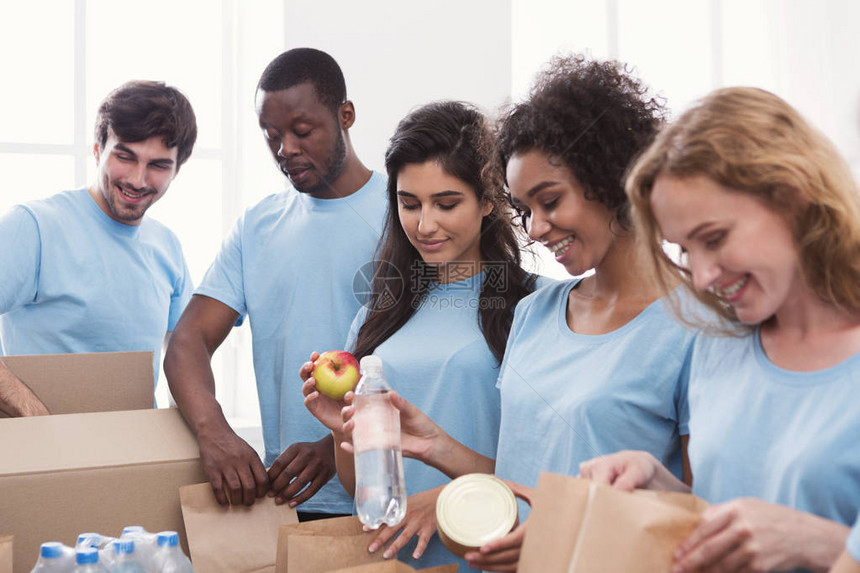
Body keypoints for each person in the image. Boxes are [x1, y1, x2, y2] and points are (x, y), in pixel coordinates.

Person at [329, 55, 700, 572]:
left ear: (615, 178)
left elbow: (701, 516)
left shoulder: (695, 330)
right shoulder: (536, 312)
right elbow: (516, 476)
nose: (536, 228)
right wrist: (437, 448)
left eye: (549, 201)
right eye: (525, 209)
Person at [580, 86, 860, 573]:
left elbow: (785, 530)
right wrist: (660, 487)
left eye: (714, 238)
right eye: (686, 250)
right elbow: (738, 520)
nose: (704, 276)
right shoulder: (718, 344)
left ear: (794, 194)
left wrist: (817, 542)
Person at [300, 100, 541, 570]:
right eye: (409, 204)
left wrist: (456, 494)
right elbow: (362, 490)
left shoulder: (537, 306)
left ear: (489, 199)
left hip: (488, 554)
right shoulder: (377, 314)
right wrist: (341, 432)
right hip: (390, 559)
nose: (424, 225)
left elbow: (547, 477)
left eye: (446, 204)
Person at [164, 48, 387, 519]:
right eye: (271, 135)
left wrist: (337, 445)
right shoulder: (257, 226)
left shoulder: (410, 215)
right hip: (286, 502)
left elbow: (440, 361)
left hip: (388, 493)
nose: (285, 148)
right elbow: (188, 340)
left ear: (345, 115)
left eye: (302, 131)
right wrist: (215, 431)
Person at [0, 80, 197, 416]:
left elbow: (186, 354)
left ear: (177, 170)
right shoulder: (33, 226)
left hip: (135, 453)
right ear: (97, 150)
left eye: (158, 165)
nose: (138, 180)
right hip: (44, 454)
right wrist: (30, 413)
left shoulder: (167, 246)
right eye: (125, 157)